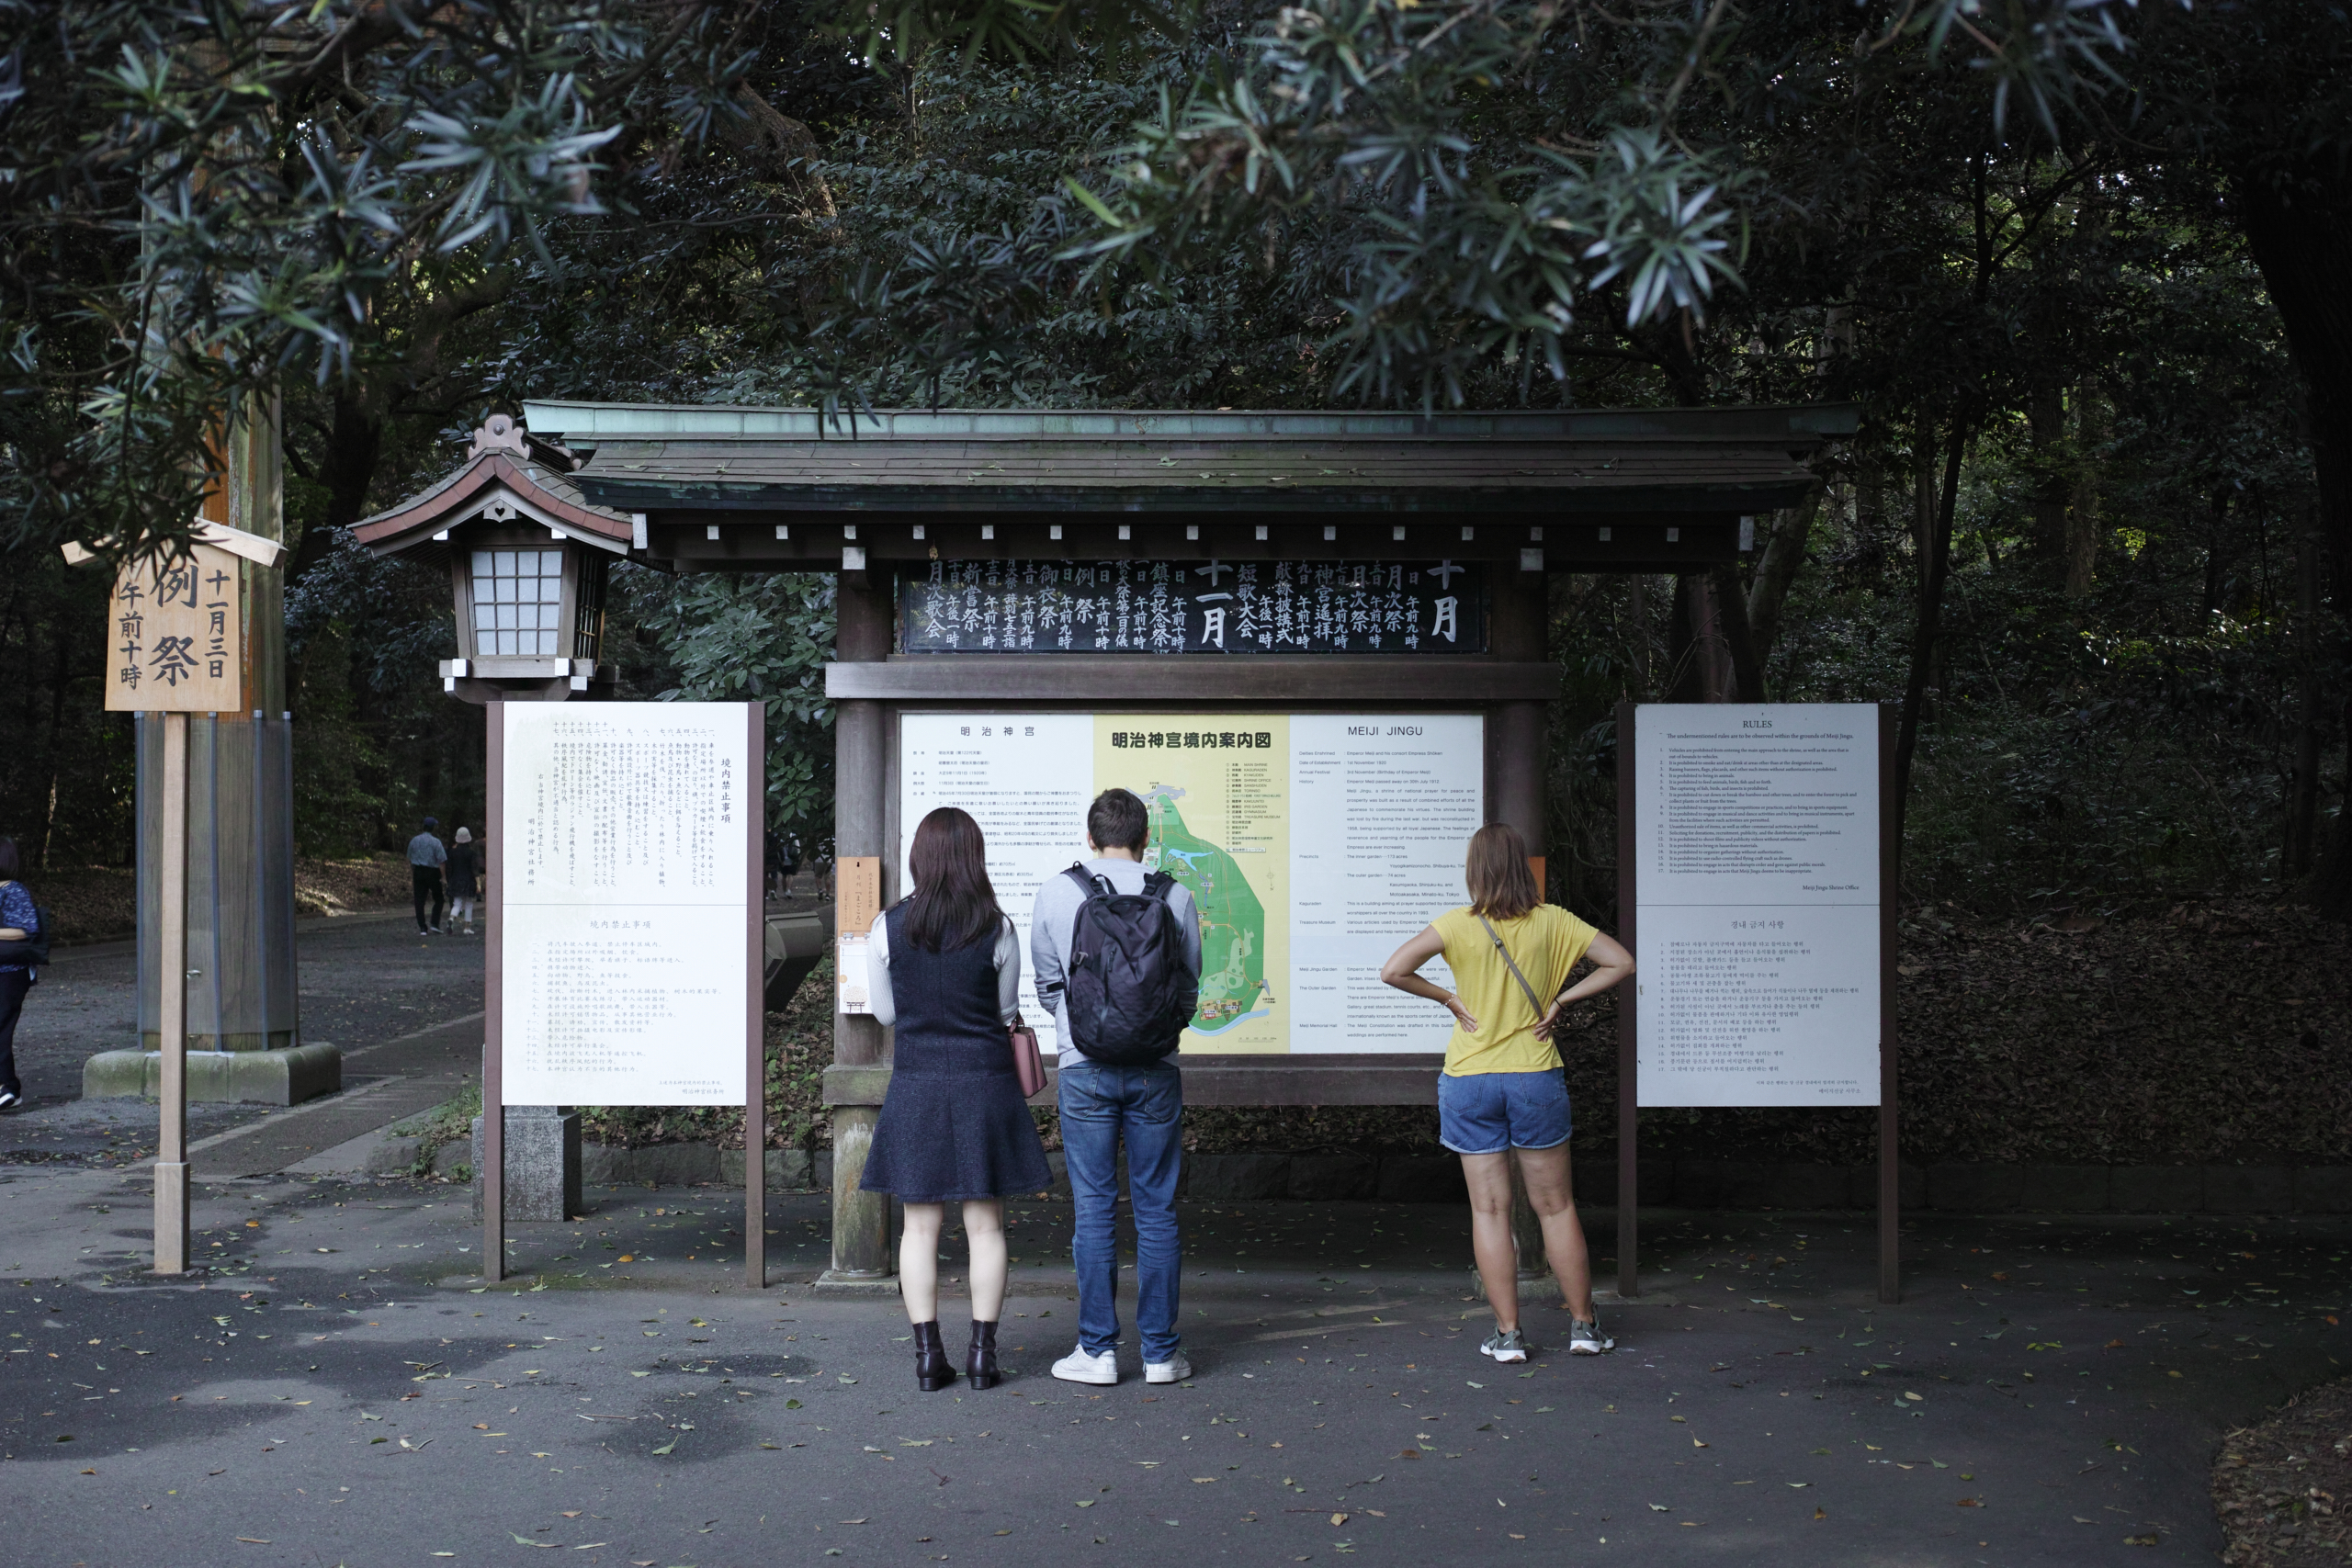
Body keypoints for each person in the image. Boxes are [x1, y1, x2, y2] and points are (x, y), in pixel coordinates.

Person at [1378, 821, 1634, 1362]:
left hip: (1470, 1078)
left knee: (1490, 1211)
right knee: (1556, 1207)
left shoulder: (1456, 925)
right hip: (1534, 1075)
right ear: (1521, 866)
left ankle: (1508, 1336)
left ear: (1474, 871)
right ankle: (1584, 1328)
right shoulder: (1554, 922)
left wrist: (1449, 999)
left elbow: (1393, 970)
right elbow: (1620, 962)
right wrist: (1562, 1001)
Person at [859, 807, 1051, 1393]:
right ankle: (982, 1357)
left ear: (919, 856)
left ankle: (927, 1357)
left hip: (917, 1085)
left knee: (918, 1228)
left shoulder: (886, 927)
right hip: (984, 1086)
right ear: (974, 857)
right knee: (986, 1228)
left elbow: (886, 1013)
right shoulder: (998, 927)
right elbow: (1000, 1013)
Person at [1030, 788, 1203, 1387]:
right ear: (1145, 838)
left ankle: (1097, 1351)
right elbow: (1188, 989)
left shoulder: (1057, 892)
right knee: (1156, 1209)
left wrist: (1086, 1029)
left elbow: (1050, 984)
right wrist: (1155, 1031)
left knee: (1095, 1207)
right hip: (1157, 1070)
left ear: (1090, 836)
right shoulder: (1175, 895)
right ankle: (1160, 1354)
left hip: (1084, 1070)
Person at [0, 836, 39, 1111]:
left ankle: (8, 1088)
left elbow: (27, 928)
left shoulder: (14, 891)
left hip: (12, 972)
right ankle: (8, 1087)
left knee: (1, 1025)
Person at [407, 817, 447, 935]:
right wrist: (443, 876)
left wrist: (413, 871)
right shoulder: (436, 842)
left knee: (419, 900)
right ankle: (434, 923)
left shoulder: (414, 840)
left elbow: (409, 857)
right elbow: (441, 861)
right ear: (432, 828)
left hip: (418, 871)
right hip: (432, 872)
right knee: (439, 898)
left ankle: (422, 928)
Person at [447, 828, 481, 936]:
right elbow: (474, 869)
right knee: (469, 904)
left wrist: (448, 881)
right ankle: (467, 928)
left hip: (455, 881)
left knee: (457, 904)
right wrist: (478, 883)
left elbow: (449, 869)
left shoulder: (452, 853)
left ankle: (451, 918)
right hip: (469, 881)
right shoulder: (471, 853)